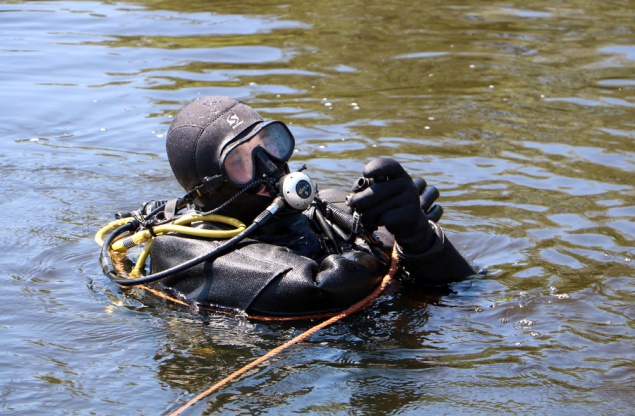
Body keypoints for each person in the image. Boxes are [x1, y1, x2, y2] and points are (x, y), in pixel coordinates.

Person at [123, 96, 476, 318]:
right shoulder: (189, 254)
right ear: (209, 187)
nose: (270, 166)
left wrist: (416, 233)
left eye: (270, 143)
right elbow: (323, 287)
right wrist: (385, 235)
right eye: (241, 161)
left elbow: (466, 290)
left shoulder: (321, 210)